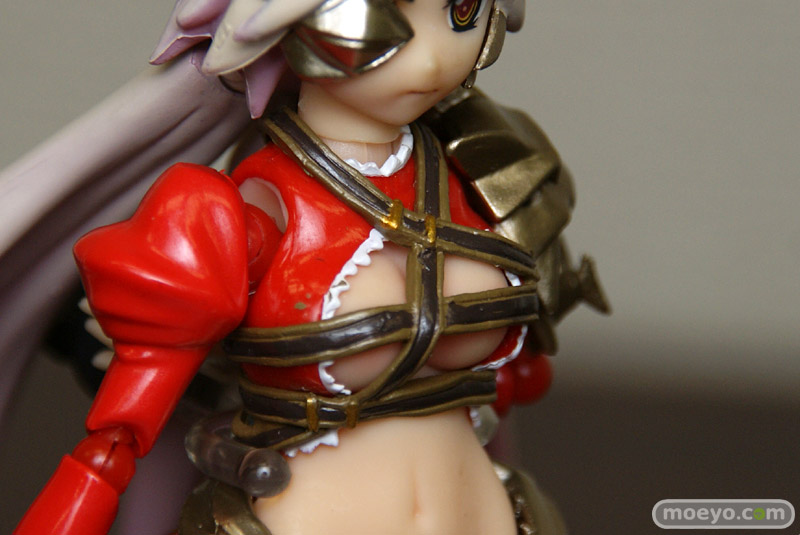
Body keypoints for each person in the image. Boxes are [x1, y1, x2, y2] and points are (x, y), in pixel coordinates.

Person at [10, 0, 607, 533]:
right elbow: (129, 430)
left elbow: (519, 380)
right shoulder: (250, 211)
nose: (431, 60)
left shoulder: (492, 170)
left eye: (461, 12)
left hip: (477, 507)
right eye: (381, 14)